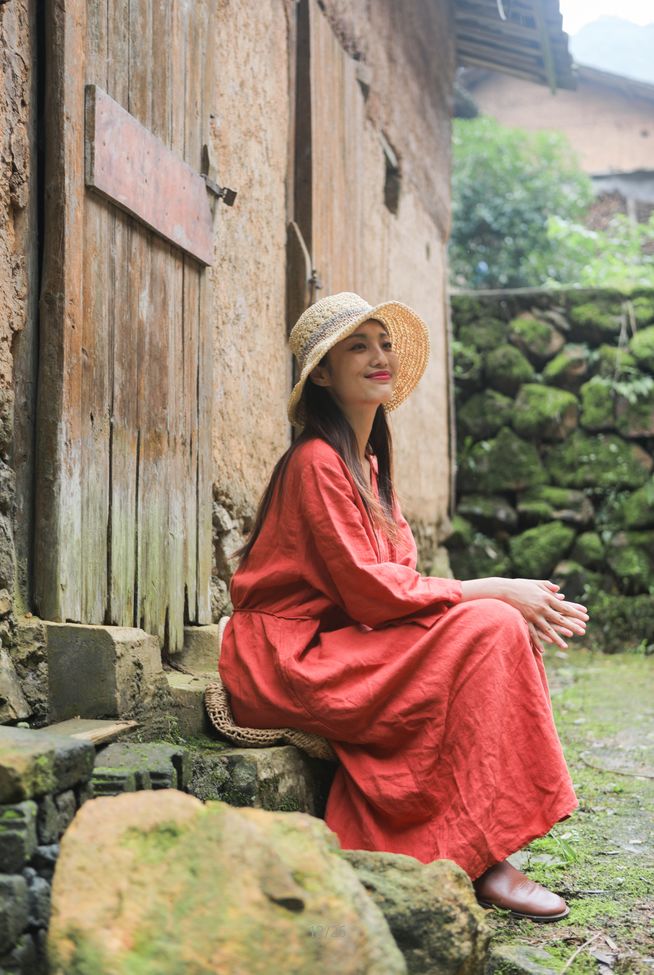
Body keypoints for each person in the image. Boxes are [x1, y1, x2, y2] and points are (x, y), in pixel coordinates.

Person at [219, 291, 586, 922]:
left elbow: (400, 581)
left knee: (490, 628)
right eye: (358, 347)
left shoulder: (367, 464)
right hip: (287, 658)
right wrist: (493, 587)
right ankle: (481, 855)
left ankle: (480, 843)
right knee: (490, 623)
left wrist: (485, 600)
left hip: (346, 642)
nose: (380, 357)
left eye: (385, 344)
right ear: (323, 375)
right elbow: (371, 589)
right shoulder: (315, 462)